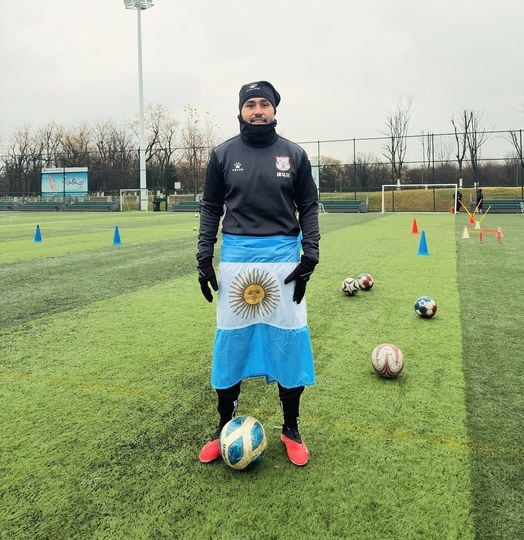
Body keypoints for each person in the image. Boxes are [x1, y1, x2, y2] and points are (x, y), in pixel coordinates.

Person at [196, 81, 320, 467]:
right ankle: (223, 425)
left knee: (288, 341)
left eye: (264, 103)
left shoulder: (294, 154)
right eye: (250, 104)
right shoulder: (222, 154)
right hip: (237, 261)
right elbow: (211, 207)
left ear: (275, 110)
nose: (257, 110)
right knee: (231, 344)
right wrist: (204, 256)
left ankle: (291, 428)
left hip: (284, 260)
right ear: (241, 110)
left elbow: (310, 206)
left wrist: (310, 254)